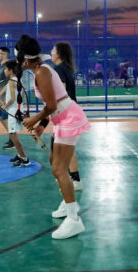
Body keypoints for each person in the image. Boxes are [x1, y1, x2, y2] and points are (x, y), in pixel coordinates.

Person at [17, 35, 91, 239]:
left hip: (68, 118)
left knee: (59, 168)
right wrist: (42, 126)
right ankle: (69, 203)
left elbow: (51, 105)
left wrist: (35, 119)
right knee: (54, 163)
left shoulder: (41, 71)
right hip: (61, 118)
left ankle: (74, 219)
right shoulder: (41, 70)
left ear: (25, 58)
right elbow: (53, 102)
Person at [51, 42, 83, 191]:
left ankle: (74, 181)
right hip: (69, 112)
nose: (51, 53)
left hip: (66, 113)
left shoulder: (59, 70)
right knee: (63, 147)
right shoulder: (66, 69)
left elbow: (60, 93)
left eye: (53, 50)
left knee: (65, 148)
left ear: (58, 54)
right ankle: (70, 177)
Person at [1, 60, 30, 167]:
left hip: (13, 111)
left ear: (10, 70)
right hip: (17, 110)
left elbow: (13, 98)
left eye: (6, 69)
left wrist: (5, 106)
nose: (4, 71)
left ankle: (24, 158)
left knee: (13, 135)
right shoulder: (17, 80)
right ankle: (19, 155)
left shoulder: (11, 81)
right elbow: (20, 97)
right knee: (13, 134)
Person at [0, 47, 13, 150]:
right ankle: (12, 138)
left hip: (7, 98)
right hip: (2, 98)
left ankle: (13, 140)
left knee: (6, 119)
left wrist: (0, 93)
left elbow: (10, 82)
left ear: (4, 54)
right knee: (0, 117)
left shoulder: (8, 66)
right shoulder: (2, 66)